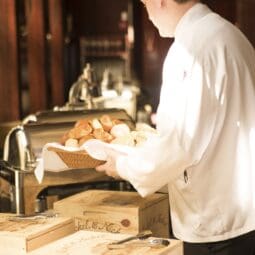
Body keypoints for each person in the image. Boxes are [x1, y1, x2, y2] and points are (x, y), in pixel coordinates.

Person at [92, 0, 255, 254]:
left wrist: (122, 165)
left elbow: (179, 145)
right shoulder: (232, 35)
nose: (148, 14)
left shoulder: (189, 49)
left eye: (145, 4)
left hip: (217, 227)